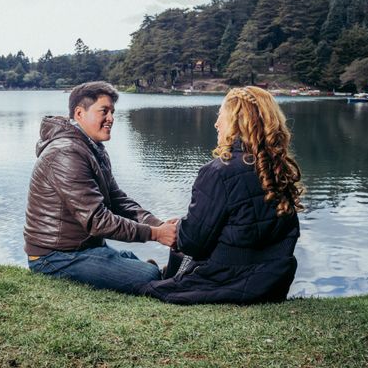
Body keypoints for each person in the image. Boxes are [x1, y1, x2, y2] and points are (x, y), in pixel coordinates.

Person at [141, 86, 303, 304]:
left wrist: (179, 229)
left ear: (237, 122)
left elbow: (194, 244)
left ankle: (163, 274)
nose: (216, 124)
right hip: (273, 282)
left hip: (228, 283)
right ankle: (166, 272)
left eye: (221, 117)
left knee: (144, 284)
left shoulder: (219, 171)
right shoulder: (278, 170)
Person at [24, 81, 177, 294]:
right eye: (104, 111)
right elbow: (98, 220)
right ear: (79, 113)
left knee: (138, 266)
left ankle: (138, 271)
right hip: (55, 257)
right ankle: (145, 274)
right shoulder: (66, 153)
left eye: (112, 112)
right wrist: (155, 234)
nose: (111, 118)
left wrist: (158, 224)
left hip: (84, 247)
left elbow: (118, 201)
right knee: (148, 275)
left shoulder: (92, 148)